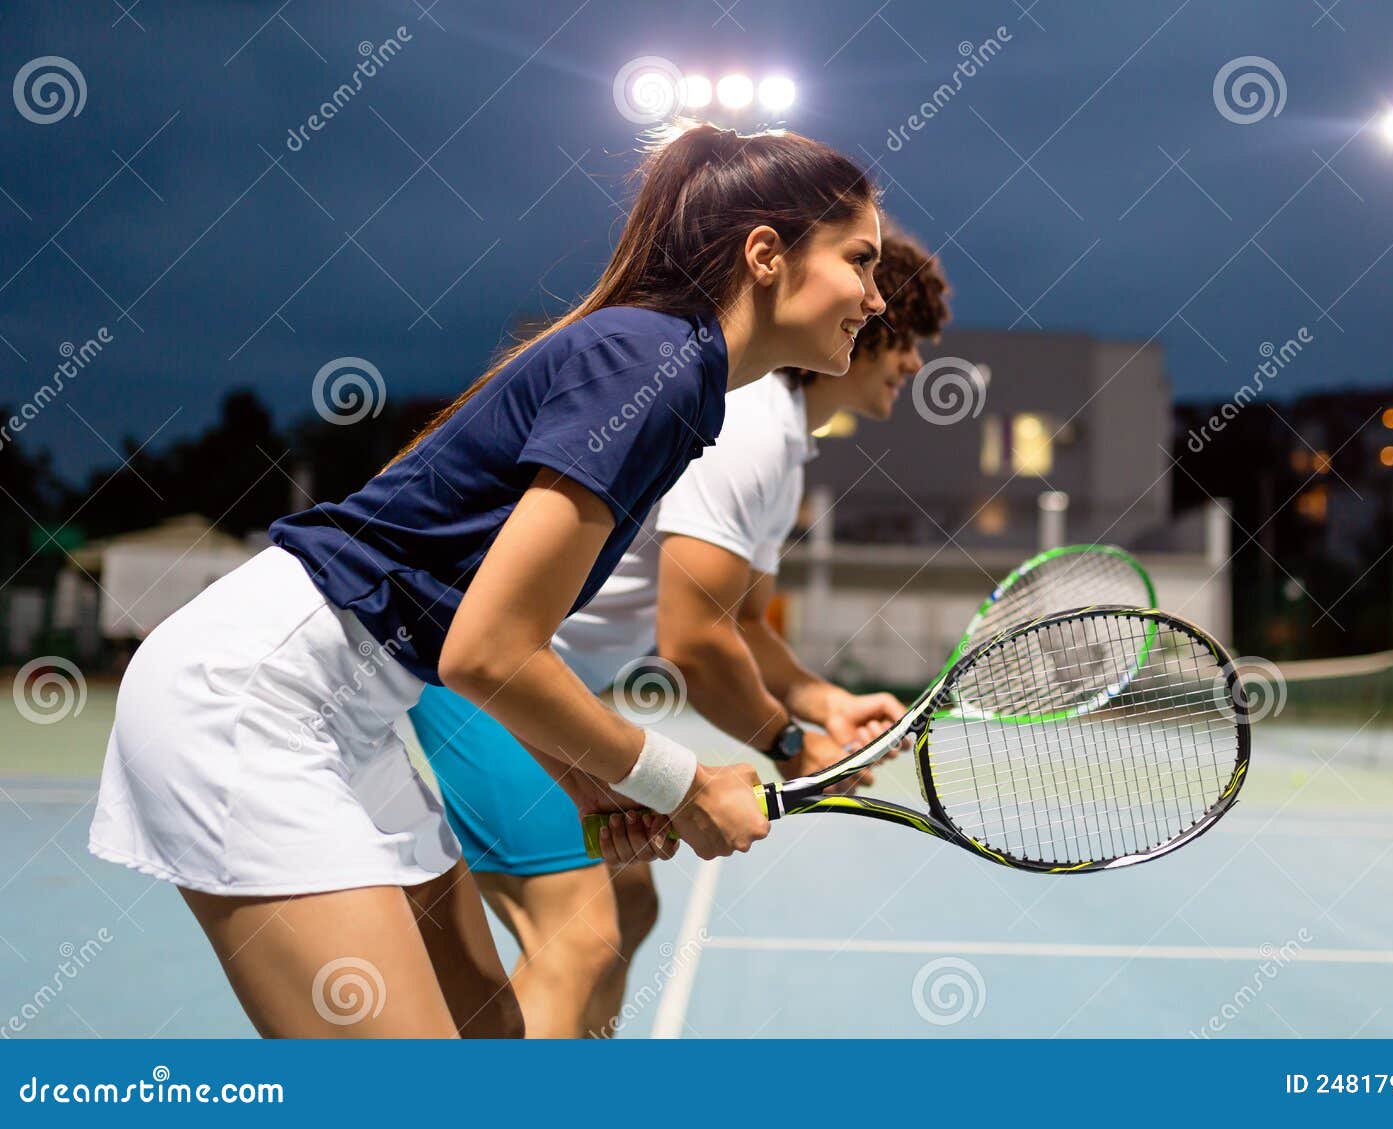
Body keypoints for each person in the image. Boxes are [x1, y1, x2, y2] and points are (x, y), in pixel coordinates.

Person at [87, 122, 886, 1038]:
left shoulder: (674, 376)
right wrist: (686, 782)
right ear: (765, 255)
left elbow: (486, 632)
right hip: (253, 698)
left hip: (354, 709)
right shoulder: (653, 364)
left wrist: (584, 776)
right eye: (858, 261)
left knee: (493, 1043)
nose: (873, 294)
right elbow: (488, 650)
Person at [408, 227, 953, 1036]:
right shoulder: (753, 426)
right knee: (580, 937)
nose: (913, 363)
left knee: (624, 902)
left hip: (510, 670)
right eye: (908, 339)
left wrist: (821, 702)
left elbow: (740, 623)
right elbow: (694, 641)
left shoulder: (782, 441)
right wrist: (793, 747)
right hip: (470, 667)